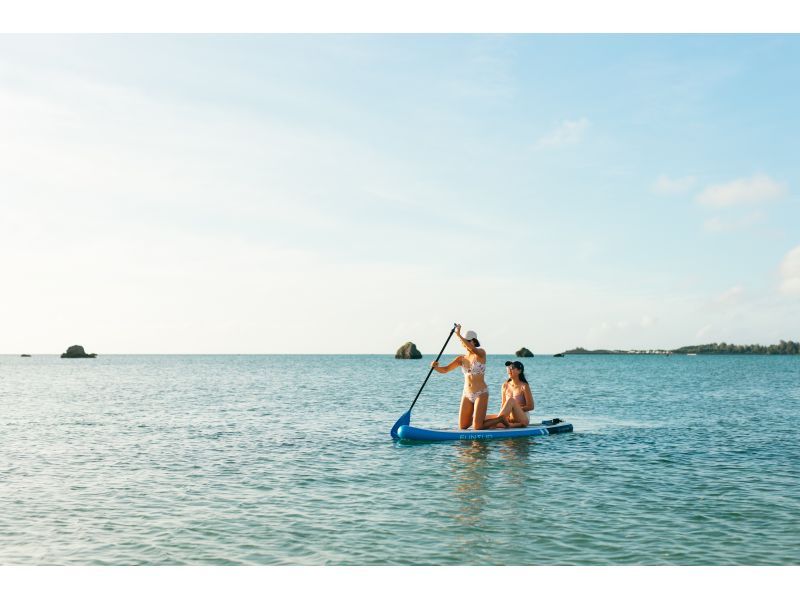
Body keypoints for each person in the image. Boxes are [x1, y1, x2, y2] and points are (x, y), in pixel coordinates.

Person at [431, 325, 506, 430]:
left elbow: (472, 349)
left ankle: (500, 419)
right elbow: (445, 369)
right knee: (463, 426)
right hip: (467, 393)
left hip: (481, 392)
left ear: (474, 341)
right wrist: (435, 367)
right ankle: (480, 418)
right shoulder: (461, 359)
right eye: (465, 341)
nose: (465, 343)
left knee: (477, 427)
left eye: (468, 341)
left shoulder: (481, 353)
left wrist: (458, 335)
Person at [494, 360, 534, 427]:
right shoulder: (505, 385)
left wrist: (513, 410)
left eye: (512, 368)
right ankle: (507, 424)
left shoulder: (524, 386)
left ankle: (510, 424)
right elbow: (503, 404)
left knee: (511, 400)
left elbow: (531, 406)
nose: (509, 370)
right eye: (508, 368)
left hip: (522, 417)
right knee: (483, 419)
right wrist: (506, 413)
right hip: (509, 417)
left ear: (519, 371)